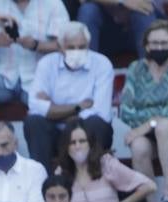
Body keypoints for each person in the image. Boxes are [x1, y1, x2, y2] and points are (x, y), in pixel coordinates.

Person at [0, 0, 68, 153]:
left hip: (38, 78)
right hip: (2, 75)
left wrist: (36, 45)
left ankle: (60, 144)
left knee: (59, 96)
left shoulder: (53, 3)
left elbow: (65, 45)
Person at [119, 21, 168, 202]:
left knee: (164, 126)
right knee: (138, 146)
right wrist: (151, 124)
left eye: (164, 43)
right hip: (146, 135)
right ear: (146, 45)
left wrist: (149, 123)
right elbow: (126, 110)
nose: (159, 47)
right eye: (154, 43)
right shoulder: (136, 69)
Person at [24, 23, 114, 167]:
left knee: (96, 123)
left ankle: (93, 178)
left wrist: (54, 109)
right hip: (56, 135)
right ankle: (42, 182)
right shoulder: (46, 64)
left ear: (89, 45)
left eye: (82, 47)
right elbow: (35, 106)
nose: (77, 52)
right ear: (60, 47)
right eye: (71, 47)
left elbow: (101, 113)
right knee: (34, 121)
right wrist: (77, 107)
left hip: (88, 132)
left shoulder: (102, 64)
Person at [54, 120, 155, 202]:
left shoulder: (106, 164)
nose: (77, 146)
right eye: (72, 142)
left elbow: (149, 186)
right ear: (66, 147)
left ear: (91, 144)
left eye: (82, 141)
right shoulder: (61, 172)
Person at [74, 0, 161, 58]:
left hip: (137, 32)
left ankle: (153, 76)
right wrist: (121, 1)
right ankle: (85, 73)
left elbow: (145, 4)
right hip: (105, 34)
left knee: (143, 12)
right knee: (88, 10)